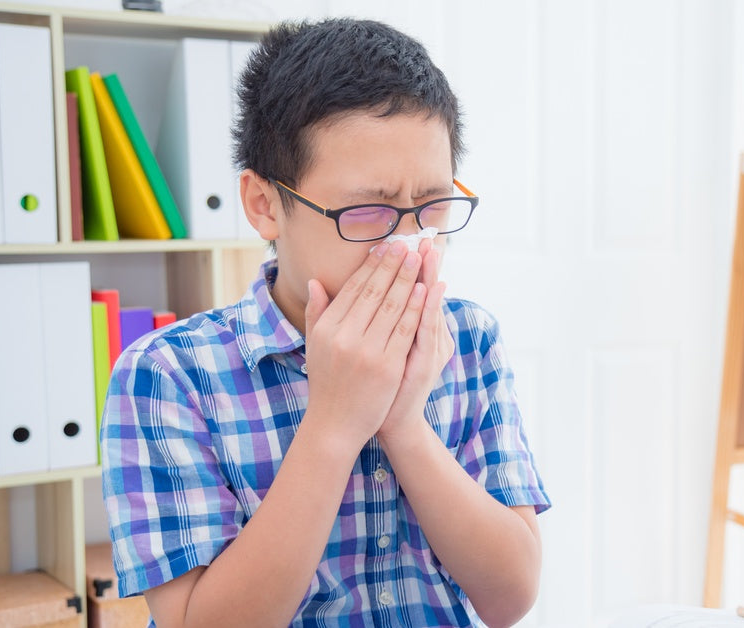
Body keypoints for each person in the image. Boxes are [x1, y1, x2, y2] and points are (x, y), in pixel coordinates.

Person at [100, 18, 550, 627]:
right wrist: (336, 423)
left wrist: (403, 425)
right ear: (264, 205)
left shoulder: (466, 340)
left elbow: (510, 597)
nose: (411, 245)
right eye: (369, 211)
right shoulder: (169, 375)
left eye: (434, 206)